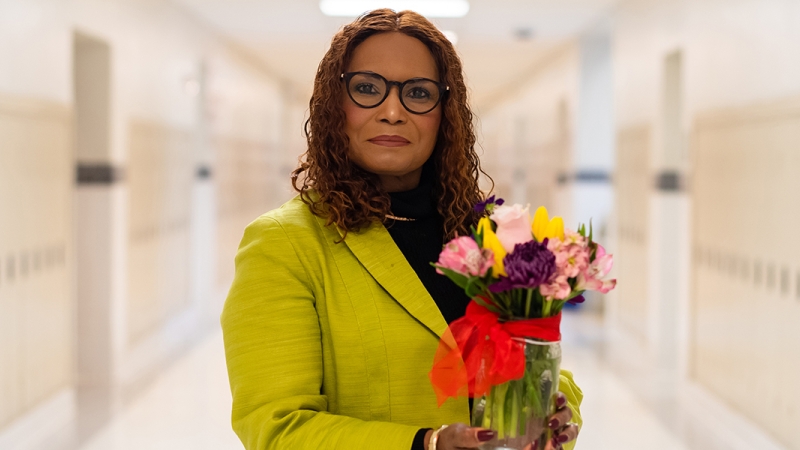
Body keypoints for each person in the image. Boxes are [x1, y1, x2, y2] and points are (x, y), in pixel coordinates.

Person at [221, 9, 582, 450]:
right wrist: (426, 444)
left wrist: (557, 406)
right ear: (336, 104)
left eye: (417, 93)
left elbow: (532, 358)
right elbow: (276, 427)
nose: (393, 111)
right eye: (367, 89)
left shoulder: (483, 235)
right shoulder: (283, 243)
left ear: (443, 113)